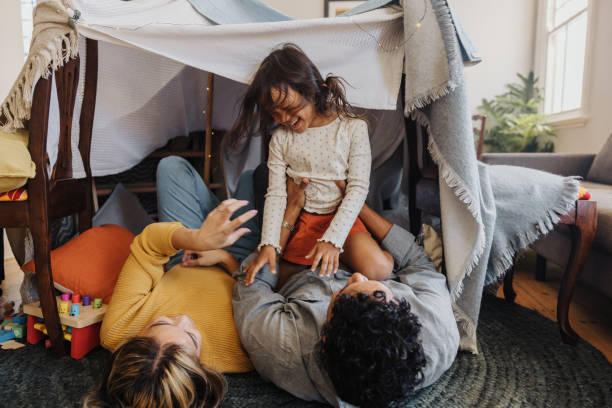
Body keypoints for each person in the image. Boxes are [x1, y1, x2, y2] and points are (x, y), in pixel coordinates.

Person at [232, 181, 460, 408]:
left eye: (342, 294)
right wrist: (357, 204)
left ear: (324, 339)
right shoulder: (437, 330)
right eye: (377, 287)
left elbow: (253, 282)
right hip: (356, 238)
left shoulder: (283, 350)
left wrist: (290, 211)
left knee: (260, 178)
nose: (358, 276)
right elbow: (416, 259)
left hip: (295, 252)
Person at [84, 157, 259, 408]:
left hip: (185, 253)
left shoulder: (118, 331)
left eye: (162, 320)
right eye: (191, 336)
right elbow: (265, 289)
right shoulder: (242, 355)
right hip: (241, 259)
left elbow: (148, 247)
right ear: (201, 371)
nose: (184, 318)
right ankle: (221, 212)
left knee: (171, 166)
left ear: (136, 338)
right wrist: (225, 258)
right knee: (250, 177)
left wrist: (197, 240)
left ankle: (215, 219)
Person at [228, 43, 394, 285]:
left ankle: (378, 253)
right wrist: (269, 244)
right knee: (275, 279)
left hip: (342, 219)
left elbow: (357, 189)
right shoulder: (281, 138)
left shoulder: (351, 128)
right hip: (303, 221)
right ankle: (335, 260)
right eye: (274, 113)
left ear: (311, 90)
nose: (284, 119)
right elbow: (275, 196)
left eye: (289, 108)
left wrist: (333, 239)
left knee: (379, 270)